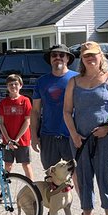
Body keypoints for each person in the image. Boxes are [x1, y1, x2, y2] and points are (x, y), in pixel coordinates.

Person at [63, 41, 108, 215]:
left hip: (107, 139)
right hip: (80, 139)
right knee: (83, 177)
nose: (90, 58)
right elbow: (66, 111)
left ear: (101, 57)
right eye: (86, 56)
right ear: (81, 59)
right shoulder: (74, 82)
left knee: (107, 176)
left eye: (93, 55)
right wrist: (73, 133)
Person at [30, 44, 78, 174]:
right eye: (54, 55)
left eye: (61, 55)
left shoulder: (77, 79)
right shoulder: (42, 81)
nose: (58, 57)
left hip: (72, 136)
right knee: (51, 177)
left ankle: (78, 196)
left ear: (68, 58)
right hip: (48, 136)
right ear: (50, 59)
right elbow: (35, 111)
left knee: (77, 177)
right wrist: (33, 136)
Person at [0, 73, 34, 180]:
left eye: (15, 84)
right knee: (8, 164)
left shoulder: (25, 101)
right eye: (10, 84)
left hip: (22, 139)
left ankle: (32, 188)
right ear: (7, 87)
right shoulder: (3, 103)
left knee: (26, 164)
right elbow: (2, 123)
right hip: (7, 139)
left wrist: (17, 138)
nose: (13, 87)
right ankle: (3, 190)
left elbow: (27, 121)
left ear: (20, 86)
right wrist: (8, 139)